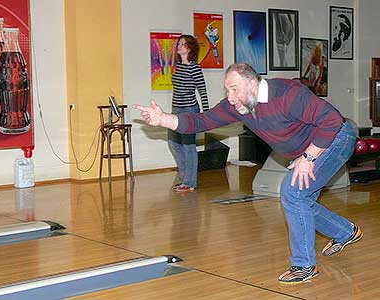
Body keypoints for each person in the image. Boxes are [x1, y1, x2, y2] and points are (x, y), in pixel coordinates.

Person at [133, 63, 363, 283]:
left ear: (252, 83)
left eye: (234, 89)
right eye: (227, 90)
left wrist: (309, 157)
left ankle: (303, 266)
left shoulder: (287, 93)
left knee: (293, 193)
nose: (230, 96)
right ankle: (345, 232)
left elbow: (331, 120)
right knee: (300, 200)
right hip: (307, 148)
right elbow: (201, 121)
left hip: (337, 138)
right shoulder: (238, 107)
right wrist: (163, 119)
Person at [169, 34, 209, 192]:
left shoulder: (195, 67)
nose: (179, 46)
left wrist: (205, 113)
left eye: (183, 44)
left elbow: (202, 90)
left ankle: (190, 182)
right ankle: (184, 178)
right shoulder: (178, 66)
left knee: (188, 145)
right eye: (179, 44)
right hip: (176, 110)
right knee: (173, 143)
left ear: (190, 48)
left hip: (189, 111)